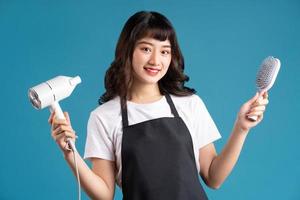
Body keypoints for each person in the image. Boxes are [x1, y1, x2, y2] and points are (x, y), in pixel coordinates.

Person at [49, 11, 269, 200]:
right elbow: (104, 194)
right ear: (128, 51)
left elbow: (214, 177)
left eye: (164, 51)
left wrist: (241, 128)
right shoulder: (103, 116)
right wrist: (70, 153)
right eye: (146, 49)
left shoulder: (189, 104)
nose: (156, 60)